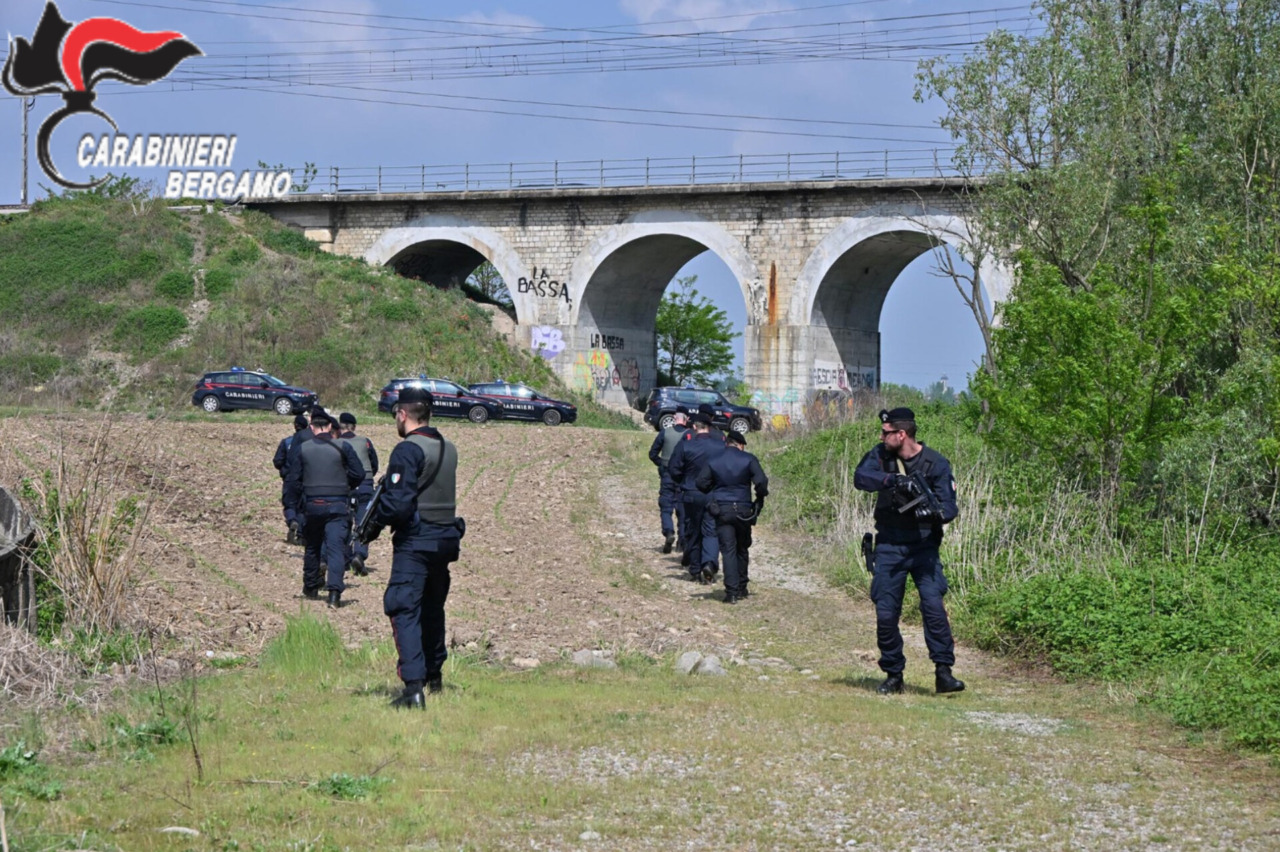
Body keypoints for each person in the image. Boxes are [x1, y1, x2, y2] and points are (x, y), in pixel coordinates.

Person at [362, 387, 465, 709]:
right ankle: (434, 676)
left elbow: (397, 506)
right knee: (433, 609)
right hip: (445, 539)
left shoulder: (408, 450)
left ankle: (413, 689)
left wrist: (370, 529)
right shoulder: (449, 448)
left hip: (417, 541)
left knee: (403, 607)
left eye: (396, 415)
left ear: (403, 414)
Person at [853, 407, 965, 695]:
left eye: (887, 432)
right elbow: (861, 478)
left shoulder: (935, 463)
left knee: (933, 608)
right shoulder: (881, 456)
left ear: (901, 434)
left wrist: (932, 512)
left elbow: (950, 506)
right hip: (890, 545)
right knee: (886, 612)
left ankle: (943, 672)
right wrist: (893, 480)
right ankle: (893, 674)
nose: (881, 436)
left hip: (924, 547)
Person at [283, 409, 365, 608]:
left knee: (312, 546)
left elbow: (293, 480)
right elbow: (359, 473)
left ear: (311, 427)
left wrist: (292, 509)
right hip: (338, 505)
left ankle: (311, 586)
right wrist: (345, 485)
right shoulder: (343, 446)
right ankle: (334, 594)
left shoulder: (303, 448)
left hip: (312, 506)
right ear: (330, 427)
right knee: (336, 548)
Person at [696, 430, 768, 604]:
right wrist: (759, 497)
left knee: (728, 550)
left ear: (726, 443)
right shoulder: (749, 459)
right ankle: (742, 586)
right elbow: (761, 481)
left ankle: (731, 592)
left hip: (722, 510)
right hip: (744, 509)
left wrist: (712, 492)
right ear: (740, 445)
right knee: (742, 548)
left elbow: (700, 483)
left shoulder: (714, 460)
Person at [666, 412, 727, 584]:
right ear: (709, 427)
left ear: (694, 427)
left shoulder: (686, 445)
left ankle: (694, 570)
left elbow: (673, 469)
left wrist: (684, 482)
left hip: (691, 493)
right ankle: (709, 563)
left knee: (693, 531)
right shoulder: (720, 446)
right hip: (713, 494)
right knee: (711, 531)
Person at [337, 412, 379, 576]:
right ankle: (359, 554)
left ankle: (345, 558)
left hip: (344, 486)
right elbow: (374, 463)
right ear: (354, 427)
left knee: (345, 521)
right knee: (363, 521)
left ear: (340, 427)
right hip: (365, 484)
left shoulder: (336, 443)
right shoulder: (365, 442)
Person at [648, 409, 689, 553]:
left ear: (673, 418)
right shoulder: (689, 435)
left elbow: (652, 453)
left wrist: (662, 463)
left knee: (666, 506)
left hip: (667, 474)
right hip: (684, 476)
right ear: (686, 419)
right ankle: (682, 541)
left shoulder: (665, 433)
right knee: (682, 509)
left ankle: (669, 532)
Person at [274, 414, 310, 544]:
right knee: (302, 507)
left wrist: (285, 471)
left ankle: (291, 520)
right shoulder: (310, 442)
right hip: (306, 479)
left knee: (289, 504)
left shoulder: (287, 441)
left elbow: (278, 461)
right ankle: (301, 535)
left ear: (295, 426)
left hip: (290, 478)